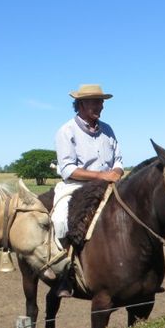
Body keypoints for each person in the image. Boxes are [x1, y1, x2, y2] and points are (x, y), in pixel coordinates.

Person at [48, 83, 124, 296]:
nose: (100, 106)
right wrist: (102, 176)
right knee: (61, 221)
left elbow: (118, 159)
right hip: (76, 187)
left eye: (101, 102)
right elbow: (68, 169)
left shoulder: (107, 130)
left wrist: (116, 172)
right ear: (80, 104)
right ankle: (64, 274)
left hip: (109, 185)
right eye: (95, 102)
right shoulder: (66, 131)